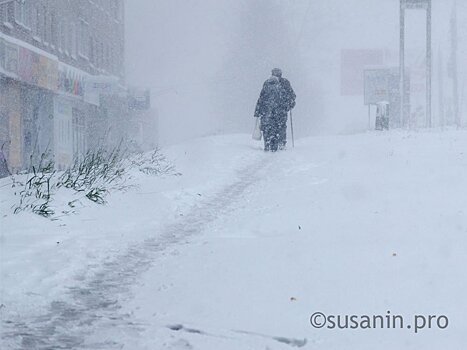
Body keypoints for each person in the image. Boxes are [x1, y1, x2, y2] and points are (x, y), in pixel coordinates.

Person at [254, 68, 296, 151]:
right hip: (281, 110)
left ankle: (268, 143)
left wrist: (257, 111)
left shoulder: (267, 83)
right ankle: (281, 143)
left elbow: (261, 97)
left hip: (267, 110)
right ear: (281, 74)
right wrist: (289, 106)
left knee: (268, 127)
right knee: (281, 126)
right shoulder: (285, 82)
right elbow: (292, 96)